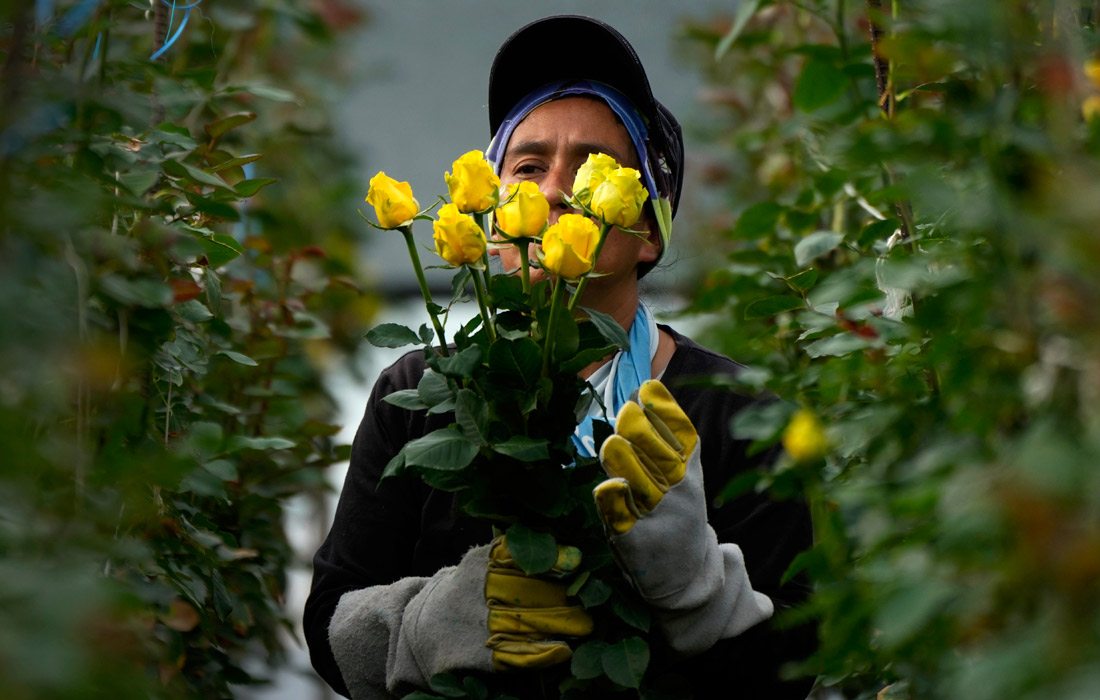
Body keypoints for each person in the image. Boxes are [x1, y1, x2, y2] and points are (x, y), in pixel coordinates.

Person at [305, 15, 815, 700]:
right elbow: (328, 630)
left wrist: (697, 590)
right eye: (528, 166)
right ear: (488, 221)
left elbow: (795, 663)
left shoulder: (741, 413)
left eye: (593, 167)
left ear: (648, 234)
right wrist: (433, 625)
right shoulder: (420, 391)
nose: (553, 189)